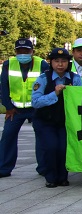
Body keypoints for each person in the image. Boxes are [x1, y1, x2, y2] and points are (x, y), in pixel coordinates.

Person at [31, 48, 82, 187]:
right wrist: (55, 94)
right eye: (56, 61)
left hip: (64, 121)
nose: (60, 64)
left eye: (64, 61)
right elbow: (35, 101)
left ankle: (63, 177)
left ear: (68, 63)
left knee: (63, 148)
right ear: (51, 62)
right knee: (50, 147)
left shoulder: (75, 78)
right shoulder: (43, 78)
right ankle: (51, 177)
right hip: (45, 120)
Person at [0, 39, 49, 178]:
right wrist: (8, 107)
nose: (23, 54)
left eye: (26, 51)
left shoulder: (42, 64)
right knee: (8, 136)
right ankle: (4, 168)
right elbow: (4, 87)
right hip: (15, 109)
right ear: (15, 52)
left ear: (32, 51)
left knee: (41, 137)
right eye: (19, 51)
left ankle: (43, 168)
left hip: (36, 108)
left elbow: (47, 85)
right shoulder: (9, 64)